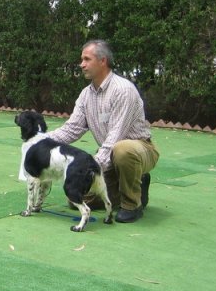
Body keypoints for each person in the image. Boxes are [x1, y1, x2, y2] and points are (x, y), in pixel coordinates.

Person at [47, 40, 159, 223]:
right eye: (81, 59)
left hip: (138, 150)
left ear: (102, 61)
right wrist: (42, 140)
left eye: (86, 59)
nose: (81, 64)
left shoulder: (123, 90)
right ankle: (135, 185)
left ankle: (132, 204)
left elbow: (116, 136)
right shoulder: (86, 95)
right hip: (110, 156)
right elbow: (71, 129)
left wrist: (90, 168)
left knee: (122, 149)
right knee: (76, 198)